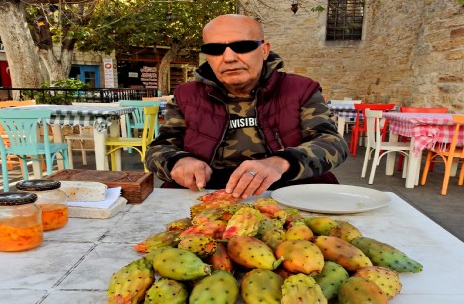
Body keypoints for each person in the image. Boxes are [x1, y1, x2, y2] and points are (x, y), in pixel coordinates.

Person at [146, 14, 349, 199]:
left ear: (264, 50)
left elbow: (331, 143)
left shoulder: (300, 89)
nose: (229, 58)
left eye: (242, 46)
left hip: (289, 192)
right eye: (215, 49)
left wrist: (280, 162)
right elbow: (159, 149)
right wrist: (178, 162)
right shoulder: (186, 95)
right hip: (205, 194)